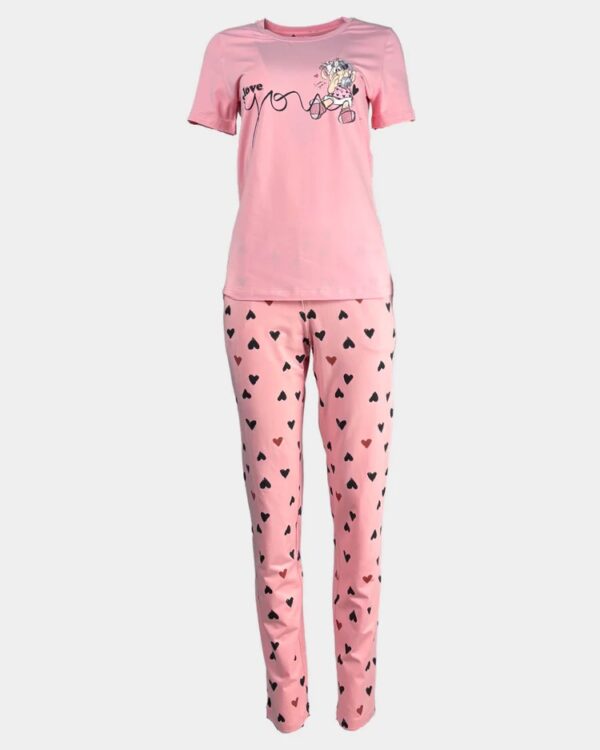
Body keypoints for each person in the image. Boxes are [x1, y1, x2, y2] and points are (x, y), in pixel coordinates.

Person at [187, 16, 415, 732]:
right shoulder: (229, 48)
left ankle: (358, 705)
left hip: (357, 297)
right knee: (273, 516)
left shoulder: (377, 45)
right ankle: (287, 709)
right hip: (258, 300)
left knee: (361, 511)